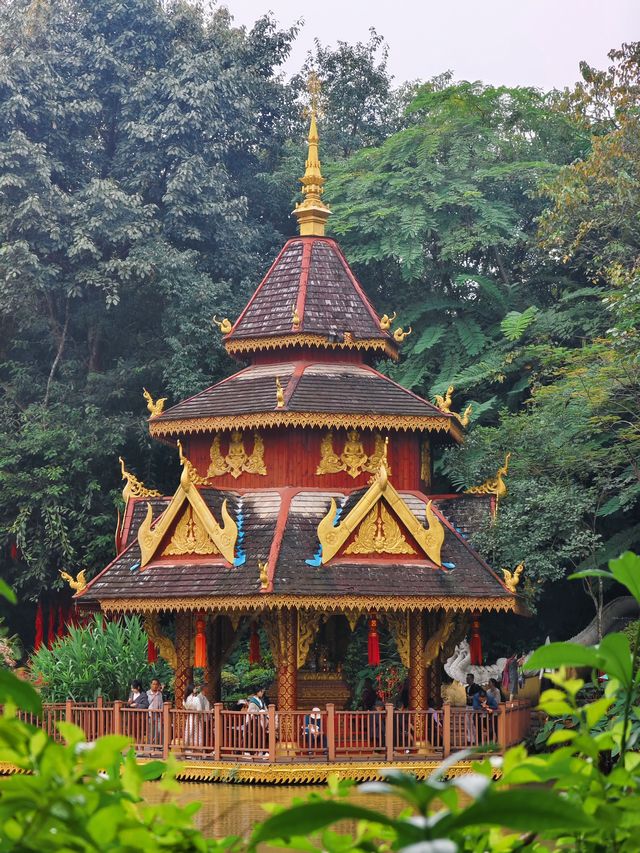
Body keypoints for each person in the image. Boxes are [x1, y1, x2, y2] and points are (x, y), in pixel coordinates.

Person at [184, 683, 203, 749]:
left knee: (188, 732)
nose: (196, 689)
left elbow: (185, 707)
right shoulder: (196, 699)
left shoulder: (185, 699)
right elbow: (199, 710)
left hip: (189, 717)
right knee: (197, 734)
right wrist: (200, 716)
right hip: (196, 717)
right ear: (192, 689)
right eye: (195, 688)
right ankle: (197, 750)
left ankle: (187, 749)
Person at [146, 678, 163, 747]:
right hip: (150, 715)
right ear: (150, 685)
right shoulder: (147, 693)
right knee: (151, 731)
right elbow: (146, 703)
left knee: (159, 730)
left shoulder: (160, 694)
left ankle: (156, 745)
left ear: (158, 685)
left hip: (158, 714)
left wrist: (162, 714)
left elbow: (161, 704)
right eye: (153, 684)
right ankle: (151, 746)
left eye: (156, 684)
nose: (155, 686)